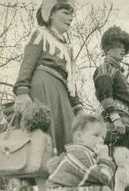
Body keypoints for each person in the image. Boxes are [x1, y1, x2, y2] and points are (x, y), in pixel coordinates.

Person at [14, 0, 81, 157]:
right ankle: (42, 178)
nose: (70, 18)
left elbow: (71, 81)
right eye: (65, 13)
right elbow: (27, 64)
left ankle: (61, 178)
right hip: (43, 88)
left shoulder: (67, 47)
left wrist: (77, 106)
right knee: (43, 139)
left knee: (68, 138)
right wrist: (22, 91)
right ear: (50, 14)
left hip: (62, 95)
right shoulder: (40, 35)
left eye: (72, 14)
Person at [93, 26, 129, 158]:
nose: (122, 49)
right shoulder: (105, 68)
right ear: (108, 49)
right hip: (115, 125)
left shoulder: (117, 72)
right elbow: (104, 93)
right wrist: (115, 118)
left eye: (124, 47)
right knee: (118, 165)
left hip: (126, 125)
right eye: (118, 45)